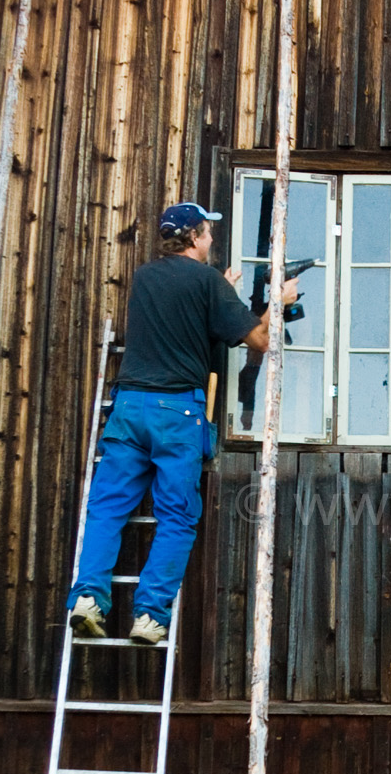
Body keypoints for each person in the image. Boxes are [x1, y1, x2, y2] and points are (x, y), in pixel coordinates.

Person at [66, 202, 294, 647]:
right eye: (208, 233)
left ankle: (88, 600)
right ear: (192, 236)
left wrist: (220, 294)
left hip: (128, 406)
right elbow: (262, 340)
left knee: (108, 507)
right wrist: (278, 303)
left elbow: (185, 320)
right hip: (177, 413)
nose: (211, 240)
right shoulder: (207, 282)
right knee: (176, 516)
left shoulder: (146, 278)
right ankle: (149, 616)